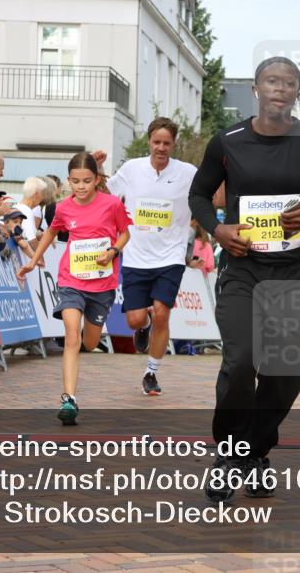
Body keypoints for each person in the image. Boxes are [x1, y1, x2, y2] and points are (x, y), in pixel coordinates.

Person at [189, 55, 300, 502]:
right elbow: (199, 194)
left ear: (298, 92)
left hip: (291, 273)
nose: (280, 88)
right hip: (241, 268)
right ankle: (230, 455)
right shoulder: (228, 141)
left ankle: (256, 452)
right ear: (255, 90)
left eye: (289, 82)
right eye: (270, 81)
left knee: (285, 373)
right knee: (240, 362)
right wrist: (218, 229)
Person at [17, 152, 131, 425]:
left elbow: (125, 232)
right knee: (71, 336)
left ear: (97, 180)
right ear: (68, 181)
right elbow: (51, 232)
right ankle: (69, 399)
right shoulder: (64, 207)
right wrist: (33, 260)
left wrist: (113, 251)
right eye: (76, 181)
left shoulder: (112, 204)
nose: (81, 187)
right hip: (71, 280)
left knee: (89, 343)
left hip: (102, 285)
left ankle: (86, 338)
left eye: (87, 181)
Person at [109, 117, 197, 397]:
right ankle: (143, 328)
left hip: (170, 256)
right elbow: (108, 196)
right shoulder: (132, 169)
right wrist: (96, 170)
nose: (161, 148)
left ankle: (151, 372)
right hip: (136, 256)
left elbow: (211, 197)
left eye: (167, 143)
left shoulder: (187, 173)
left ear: (174, 144)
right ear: (149, 141)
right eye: (157, 142)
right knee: (135, 319)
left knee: (162, 313)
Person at [13, 176, 48, 248]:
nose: (43, 197)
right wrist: (40, 257)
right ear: (35, 194)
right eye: (42, 194)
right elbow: (32, 241)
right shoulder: (26, 211)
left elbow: (26, 234)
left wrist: (38, 233)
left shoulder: (17, 207)